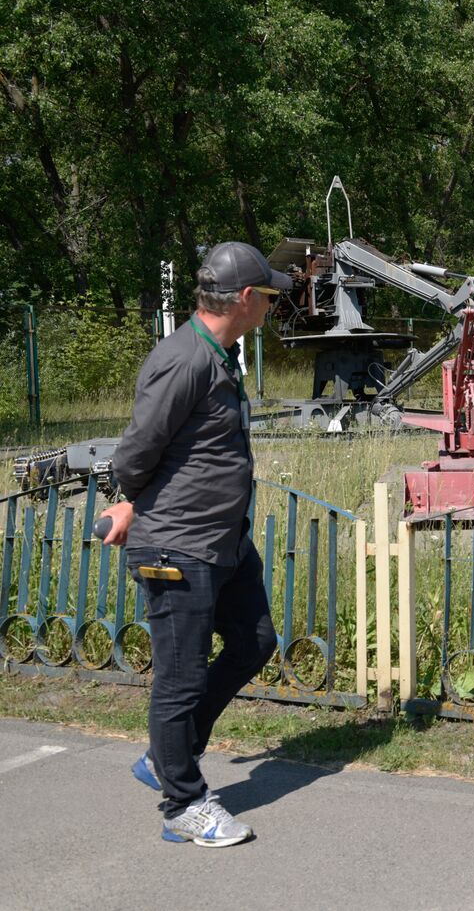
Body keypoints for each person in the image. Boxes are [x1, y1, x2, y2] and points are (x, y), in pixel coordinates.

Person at [100, 241, 289, 847]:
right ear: (244, 299)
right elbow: (136, 450)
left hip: (222, 543)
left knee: (255, 640)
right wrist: (129, 500)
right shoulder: (183, 359)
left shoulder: (219, 353)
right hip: (178, 546)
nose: (272, 304)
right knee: (180, 680)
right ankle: (183, 802)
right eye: (268, 294)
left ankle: (165, 756)